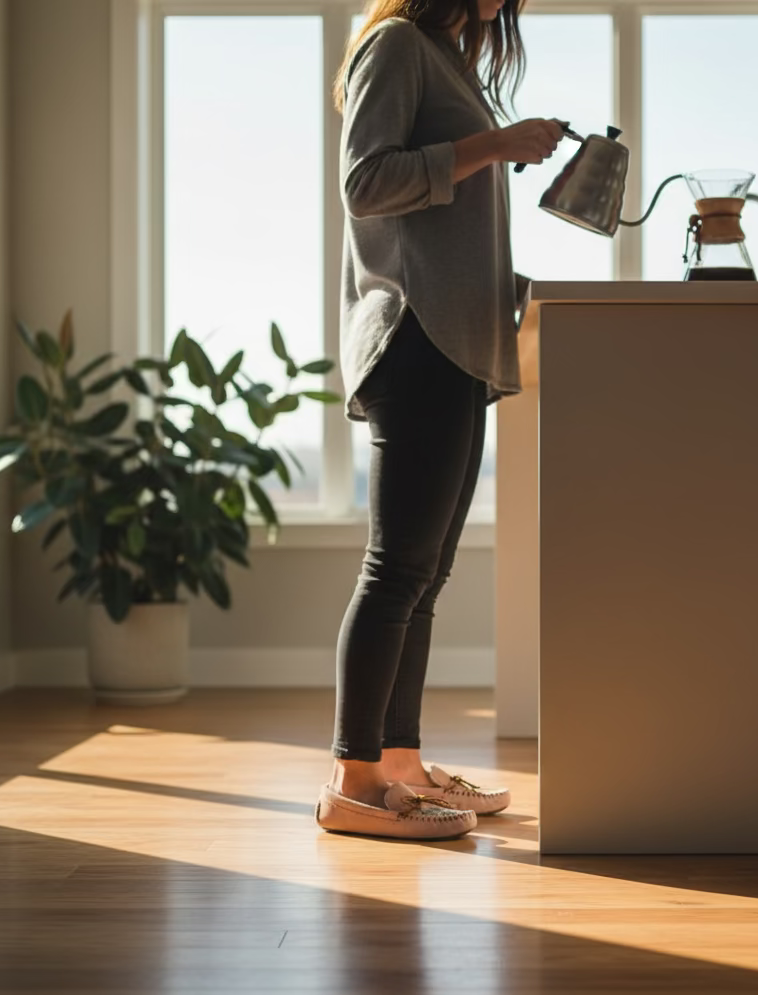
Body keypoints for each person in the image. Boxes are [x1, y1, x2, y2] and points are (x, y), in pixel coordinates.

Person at [315, 0, 564, 840]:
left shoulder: (442, 56)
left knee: (422, 577)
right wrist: (496, 145)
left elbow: (448, 232)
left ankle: (401, 768)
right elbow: (366, 184)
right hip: (416, 338)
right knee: (396, 571)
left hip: (456, 344)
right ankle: (353, 784)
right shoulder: (392, 46)